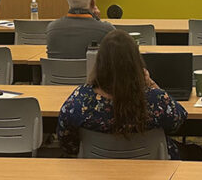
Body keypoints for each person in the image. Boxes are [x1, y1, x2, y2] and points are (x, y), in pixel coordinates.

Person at [57, 30, 187, 158]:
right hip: (151, 173)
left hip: (94, 173)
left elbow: (66, 143)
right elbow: (178, 120)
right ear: (136, 62)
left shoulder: (80, 100)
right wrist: (151, 83)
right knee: (197, 152)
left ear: (100, 62)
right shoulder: (156, 100)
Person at [45, 0, 114, 59]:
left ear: (68, 1)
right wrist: (97, 20)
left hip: (57, 72)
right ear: (92, 3)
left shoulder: (52, 29)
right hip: (91, 72)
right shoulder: (107, 30)